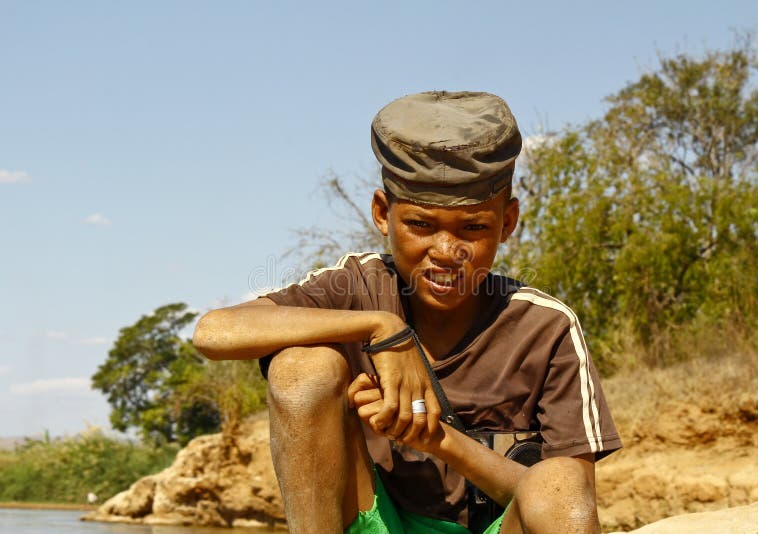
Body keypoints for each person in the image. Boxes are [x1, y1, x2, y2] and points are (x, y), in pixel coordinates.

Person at [193, 91, 622, 534]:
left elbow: (564, 502)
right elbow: (214, 332)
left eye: (474, 228)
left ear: (507, 222)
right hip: (374, 521)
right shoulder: (358, 288)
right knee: (301, 368)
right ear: (383, 213)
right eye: (420, 225)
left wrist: (436, 439)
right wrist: (383, 326)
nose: (446, 252)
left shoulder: (545, 328)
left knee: (557, 479)